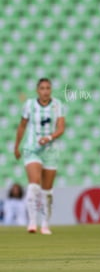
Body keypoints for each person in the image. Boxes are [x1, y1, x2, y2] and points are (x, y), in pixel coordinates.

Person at [14, 78, 66, 234]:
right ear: (38, 90)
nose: (45, 91)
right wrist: (17, 146)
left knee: (47, 190)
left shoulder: (57, 105)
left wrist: (49, 138)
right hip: (32, 148)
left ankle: (44, 223)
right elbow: (22, 126)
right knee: (34, 183)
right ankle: (31, 222)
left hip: (50, 150)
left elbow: (61, 127)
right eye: (42, 88)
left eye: (48, 88)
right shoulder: (29, 105)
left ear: (51, 90)